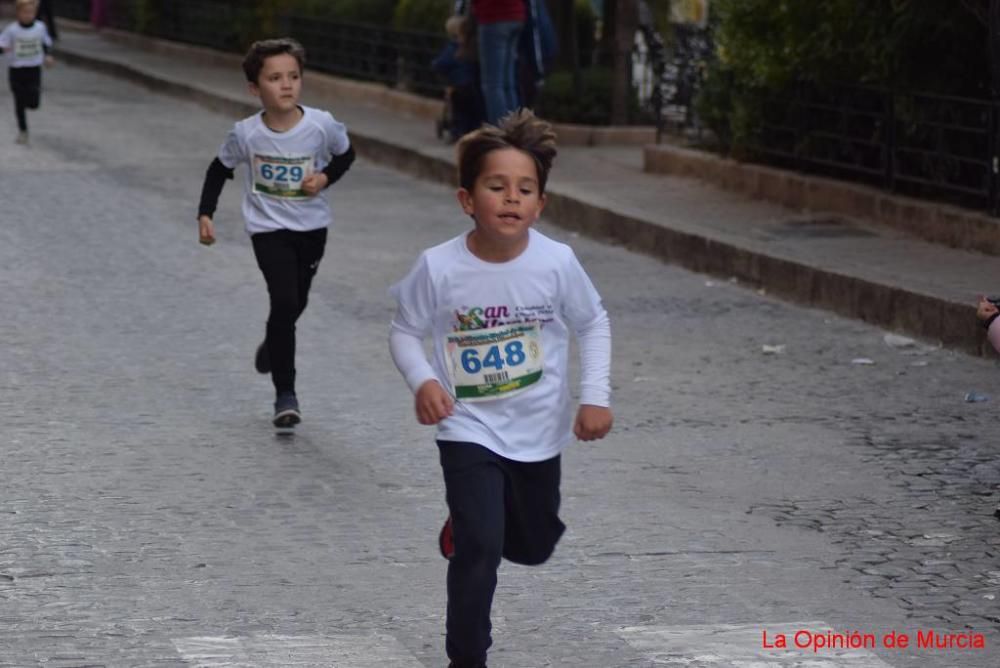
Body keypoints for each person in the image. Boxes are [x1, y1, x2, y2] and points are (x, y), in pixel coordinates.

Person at [389, 109, 613, 668]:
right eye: (497, 186)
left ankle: (468, 524)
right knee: (482, 546)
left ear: (540, 204)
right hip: (467, 426)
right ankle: (467, 657)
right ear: (468, 200)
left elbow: (593, 322)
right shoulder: (438, 267)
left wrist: (595, 396)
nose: (511, 199)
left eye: (525, 189)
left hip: (539, 431)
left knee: (533, 545)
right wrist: (423, 381)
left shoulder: (556, 262)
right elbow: (404, 332)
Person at [196, 37, 355, 428]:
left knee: (295, 303)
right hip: (267, 229)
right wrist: (206, 213)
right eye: (275, 78)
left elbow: (346, 154)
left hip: (312, 228)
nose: (286, 85)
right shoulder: (246, 134)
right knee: (284, 299)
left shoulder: (320, 125)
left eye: (293, 77)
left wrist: (324, 178)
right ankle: (286, 395)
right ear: (255, 88)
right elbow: (219, 169)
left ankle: (273, 342)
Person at [0, 0, 54, 145]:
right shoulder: (12, 30)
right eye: (25, 12)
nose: (28, 15)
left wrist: (48, 56)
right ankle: (23, 131)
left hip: (33, 69)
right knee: (19, 101)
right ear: (18, 13)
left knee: (33, 102)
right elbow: (2, 44)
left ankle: (30, 101)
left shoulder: (40, 27)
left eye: (31, 12)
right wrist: (4, 50)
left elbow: (45, 43)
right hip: (17, 70)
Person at [432, 14, 484, 142]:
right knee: (472, 110)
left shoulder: (452, 49)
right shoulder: (473, 48)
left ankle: (457, 132)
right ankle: (472, 129)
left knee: (459, 112)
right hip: (472, 85)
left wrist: (435, 65)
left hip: (458, 87)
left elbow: (441, 64)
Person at [472, 0, 525, 124]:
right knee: (508, 82)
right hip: (516, 14)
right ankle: (515, 129)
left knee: (492, 84)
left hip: (494, 16)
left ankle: (500, 133)